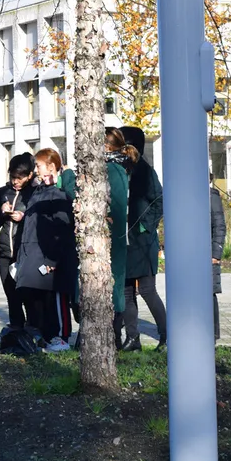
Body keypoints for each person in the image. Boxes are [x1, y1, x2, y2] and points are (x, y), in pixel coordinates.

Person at [14, 149, 77, 352]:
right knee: (39, 299)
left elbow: (62, 230)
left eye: (39, 166)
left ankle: (61, 337)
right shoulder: (38, 193)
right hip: (34, 255)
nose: (36, 170)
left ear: (51, 166)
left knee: (57, 298)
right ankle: (46, 335)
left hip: (53, 258)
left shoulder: (59, 195)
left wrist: (52, 260)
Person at [118, 126, 167, 352]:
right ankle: (133, 339)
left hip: (143, 242)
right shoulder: (118, 170)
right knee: (126, 291)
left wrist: (145, 226)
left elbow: (159, 201)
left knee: (147, 290)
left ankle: (166, 336)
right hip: (124, 242)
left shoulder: (145, 171)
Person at [0, 153, 35, 330]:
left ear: (29, 175)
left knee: (27, 295)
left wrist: (24, 217)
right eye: (13, 177)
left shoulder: (33, 193)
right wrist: (1, 211)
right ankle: (17, 330)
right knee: (10, 294)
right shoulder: (3, 192)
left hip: (24, 252)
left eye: (20, 178)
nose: (16, 182)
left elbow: (38, 222)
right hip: (5, 250)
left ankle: (33, 329)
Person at [104, 128, 137, 349]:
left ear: (107, 146)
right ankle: (118, 335)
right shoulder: (117, 167)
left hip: (117, 237)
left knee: (119, 288)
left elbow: (117, 205)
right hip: (119, 235)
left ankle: (116, 336)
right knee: (119, 287)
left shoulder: (114, 169)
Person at [211, 176, 226, 342]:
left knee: (209, 293)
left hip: (208, 254)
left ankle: (213, 334)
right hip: (193, 255)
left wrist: (216, 254)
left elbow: (220, 226)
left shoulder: (211, 197)